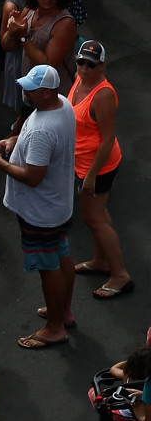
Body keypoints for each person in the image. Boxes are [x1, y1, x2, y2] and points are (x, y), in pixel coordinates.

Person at [0, 62, 77, 348]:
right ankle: (64, 311)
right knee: (61, 254)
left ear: (48, 93)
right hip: (57, 205)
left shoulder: (43, 131)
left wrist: (0, 163)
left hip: (40, 212)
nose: (25, 91)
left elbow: (33, 177)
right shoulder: (62, 104)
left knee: (48, 266)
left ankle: (54, 327)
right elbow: (34, 139)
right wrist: (15, 141)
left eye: (31, 89)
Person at [67, 40, 130, 297]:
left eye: (90, 65)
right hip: (82, 163)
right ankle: (101, 261)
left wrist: (92, 174)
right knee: (98, 214)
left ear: (101, 65)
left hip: (98, 166)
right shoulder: (79, 79)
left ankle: (119, 275)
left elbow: (107, 139)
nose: (83, 68)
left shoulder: (103, 95)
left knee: (93, 218)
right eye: (80, 62)